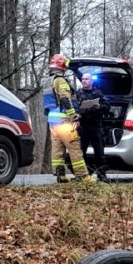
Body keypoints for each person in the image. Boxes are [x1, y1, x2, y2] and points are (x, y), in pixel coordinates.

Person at [48, 53, 89, 181]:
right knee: (74, 146)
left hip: (52, 120)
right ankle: (83, 175)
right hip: (63, 120)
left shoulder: (48, 81)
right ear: (62, 65)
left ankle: (60, 175)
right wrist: (73, 115)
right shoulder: (60, 80)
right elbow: (65, 99)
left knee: (57, 148)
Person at [75, 72, 108, 181]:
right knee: (80, 152)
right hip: (83, 126)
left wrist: (99, 106)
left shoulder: (98, 93)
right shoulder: (77, 93)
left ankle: (101, 174)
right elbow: (73, 108)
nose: (84, 81)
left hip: (96, 126)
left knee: (99, 152)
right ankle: (81, 174)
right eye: (83, 79)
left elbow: (107, 106)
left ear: (91, 81)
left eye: (87, 79)